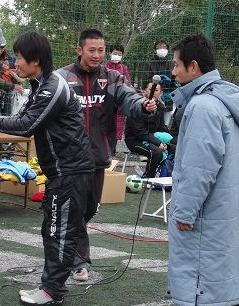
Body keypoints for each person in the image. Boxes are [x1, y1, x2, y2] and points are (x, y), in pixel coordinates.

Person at [0, 31, 95, 306]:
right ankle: (50, 286)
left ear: (35, 60)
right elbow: (23, 118)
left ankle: (52, 290)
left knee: (58, 231)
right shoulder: (41, 85)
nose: (14, 63)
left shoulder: (52, 87)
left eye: (19, 58)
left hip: (70, 172)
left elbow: (26, 125)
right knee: (52, 228)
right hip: (61, 172)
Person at [150, 33, 239, 306]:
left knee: (192, 273)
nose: (173, 72)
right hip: (227, 207)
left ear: (194, 66)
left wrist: (185, 211)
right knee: (226, 270)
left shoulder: (203, 106)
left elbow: (200, 168)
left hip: (205, 209)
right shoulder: (227, 97)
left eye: (176, 65)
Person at [56, 29, 156, 282]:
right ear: (79, 50)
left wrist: (143, 106)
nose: (97, 55)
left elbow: (130, 98)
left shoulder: (112, 78)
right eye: (92, 50)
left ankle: (67, 251)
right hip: (69, 160)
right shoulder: (61, 77)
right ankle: (78, 261)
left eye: (101, 50)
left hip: (99, 158)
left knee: (89, 209)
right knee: (75, 210)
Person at [124, 81, 175, 178]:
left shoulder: (160, 106)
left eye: (156, 90)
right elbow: (140, 132)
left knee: (175, 148)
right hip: (135, 140)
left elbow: (161, 127)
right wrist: (158, 143)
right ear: (144, 91)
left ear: (161, 93)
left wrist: (172, 139)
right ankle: (147, 178)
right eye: (151, 89)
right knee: (156, 152)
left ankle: (166, 174)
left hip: (153, 138)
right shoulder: (136, 106)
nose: (153, 92)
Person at [105, 44, 132, 154]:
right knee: (105, 126)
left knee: (117, 127)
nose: (117, 56)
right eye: (115, 53)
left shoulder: (124, 68)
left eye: (119, 54)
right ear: (110, 53)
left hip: (118, 102)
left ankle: (113, 151)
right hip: (106, 101)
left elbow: (127, 83)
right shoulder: (104, 66)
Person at [142, 40, 176, 125]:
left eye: (164, 47)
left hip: (168, 97)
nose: (162, 49)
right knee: (152, 121)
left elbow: (175, 80)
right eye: (159, 47)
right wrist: (158, 86)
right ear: (155, 50)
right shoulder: (149, 63)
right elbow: (145, 80)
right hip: (153, 96)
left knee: (165, 123)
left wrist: (170, 88)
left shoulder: (172, 63)